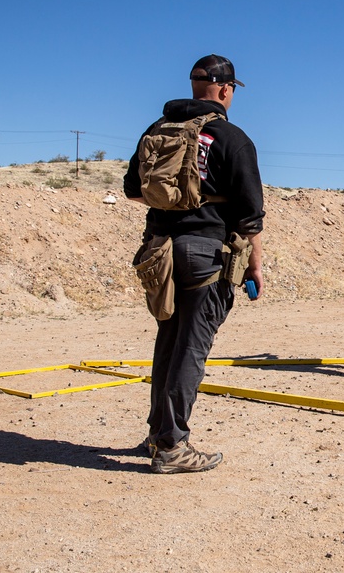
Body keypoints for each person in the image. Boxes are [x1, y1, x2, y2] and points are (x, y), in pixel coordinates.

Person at [123, 54, 264, 473]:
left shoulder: (156, 131)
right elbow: (250, 216)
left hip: (161, 250)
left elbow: (134, 190)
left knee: (168, 343)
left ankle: (157, 435)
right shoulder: (232, 138)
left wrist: (176, 202)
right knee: (191, 348)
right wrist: (255, 265)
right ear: (225, 90)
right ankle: (171, 445)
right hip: (206, 255)